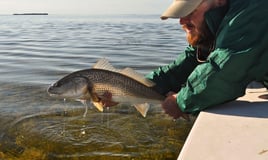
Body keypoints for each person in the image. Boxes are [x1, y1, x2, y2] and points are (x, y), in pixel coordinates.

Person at [144, 0, 268, 119]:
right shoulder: (217, 22)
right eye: (181, 13)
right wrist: (146, 84)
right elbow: (193, 59)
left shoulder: (254, 9)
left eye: (191, 12)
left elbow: (227, 70)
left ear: (219, 1)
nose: (182, 21)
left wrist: (180, 101)